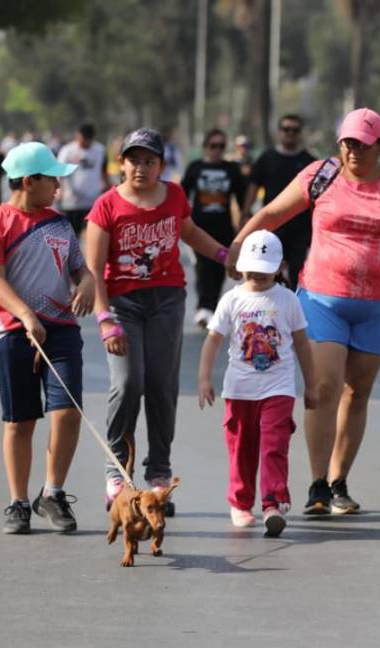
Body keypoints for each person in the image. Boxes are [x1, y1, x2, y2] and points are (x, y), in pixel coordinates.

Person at [227, 107, 380, 515]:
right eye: (347, 142)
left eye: (363, 143)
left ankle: (339, 481)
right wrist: (240, 243)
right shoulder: (319, 176)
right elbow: (273, 212)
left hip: (378, 306)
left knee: (357, 394)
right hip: (323, 300)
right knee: (322, 389)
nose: (353, 150)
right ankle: (317, 484)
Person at [85, 127, 232, 508]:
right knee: (128, 382)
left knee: (162, 385)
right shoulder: (106, 206)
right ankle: (117, 471)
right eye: (134, 159)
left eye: (149, 161)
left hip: (167, 299)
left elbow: (191, 232)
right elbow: (93, 267)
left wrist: (224, 256)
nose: (141, 167)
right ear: (122, 163)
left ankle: (159, 472)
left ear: (160, 165)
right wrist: (104, 319)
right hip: (123, 304)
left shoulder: (174, 195)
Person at [0, 142, 95, 534]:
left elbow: (79, 269)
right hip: (12, 332)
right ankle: (18, 502)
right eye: (52, 178)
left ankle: (52, 494)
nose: (59, 186)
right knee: (20, 421)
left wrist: (88, 283)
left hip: (60, 329)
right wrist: (24, 315)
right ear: (29, 180)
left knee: (68, 410)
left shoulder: (59, 223)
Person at [198, 230, 316, 536]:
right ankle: (240, 502)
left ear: (279, 268)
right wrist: (204, 378)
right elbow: (213, 340)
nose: (258, 277)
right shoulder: (232, 299)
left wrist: (311, 385)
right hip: (239, 390)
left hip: (278, 388)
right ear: (240, 267)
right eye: (252, 271)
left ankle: (273, 502)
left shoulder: (288, 300)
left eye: (265, 272)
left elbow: (302, 344)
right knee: (241, 448)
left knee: (274, 445)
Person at [182, 128, 247, 327]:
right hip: (198, 228)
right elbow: (182, 193)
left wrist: (245, 219)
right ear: (206, 147)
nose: (217, 150)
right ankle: (203, 307)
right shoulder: (195, 167)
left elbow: (243, 196)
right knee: (202, 268)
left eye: (221, 146)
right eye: (213, 145)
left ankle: (211, 307)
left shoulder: (231, 169)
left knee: (220, 268)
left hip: (224, 228)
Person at [244, 114, 317, 289]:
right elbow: (253, 186)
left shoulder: (310, 162)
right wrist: (245, 213)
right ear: (279, 132)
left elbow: (317, 197)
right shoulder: (267, 158)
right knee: (269, 273)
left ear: (300, 133)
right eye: (286, 129)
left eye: (295, 130)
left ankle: (293, 311)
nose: (290, 133)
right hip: (272, 229)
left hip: (300, 229)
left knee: (297, 275)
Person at [57, 124, 110, 234]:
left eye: (88, 139)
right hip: (71, 202)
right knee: (71, 235)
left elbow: (104, 172)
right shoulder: (67, 150)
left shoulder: (100, 150)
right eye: (83, 138)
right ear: (78, 136)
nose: (85, 142)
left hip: (92, 202)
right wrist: (59, 191)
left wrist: (107, 189)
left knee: (91, 234)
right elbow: (60, 173)